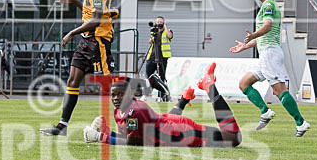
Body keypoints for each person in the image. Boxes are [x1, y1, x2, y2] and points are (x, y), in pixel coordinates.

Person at [41, 0, 120, 136]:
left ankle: (132, 124)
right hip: (86, 42)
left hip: (98, 42)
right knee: (72, 81)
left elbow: (96, 20)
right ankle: (62, 127)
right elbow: (89, 11)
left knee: (110, 87)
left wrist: (71, 33)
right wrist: (74, 1)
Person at [82, 65, 242, 148]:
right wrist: (108, 131)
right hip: (168, 124)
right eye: (113, 95)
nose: (116, 99)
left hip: (182, 131)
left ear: (130, 95)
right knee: (160, 127)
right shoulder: (120, 111)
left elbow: (133, 143)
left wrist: (99, 137)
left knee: (234, 138)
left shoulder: (135, 111)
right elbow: (128, 136)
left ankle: (209, 85)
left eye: (120, 95)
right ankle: (184, 99)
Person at [229, 0, 310, 136]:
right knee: (244, 83)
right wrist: (245, 46)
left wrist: (253, 36)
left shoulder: (269, 5)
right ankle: (265, 111)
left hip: (270, 54)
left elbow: (267, 26)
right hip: (266, 52)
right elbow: (264, 35)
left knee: (280, 91)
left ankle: (300, 122)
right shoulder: (267, 6)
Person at [145, 16, 173, 99]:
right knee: (148, 76)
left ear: (163, 22)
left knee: (161, 77)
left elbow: (169, 36)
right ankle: (146, 94)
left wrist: (165, 26)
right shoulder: (154, 32)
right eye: (157, 22)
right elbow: (150, 42)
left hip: (162, 58)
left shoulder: (167, 31)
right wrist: (152, 36)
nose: (159, 23)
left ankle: (161, 96)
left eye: (161, 22)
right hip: (152, 57)